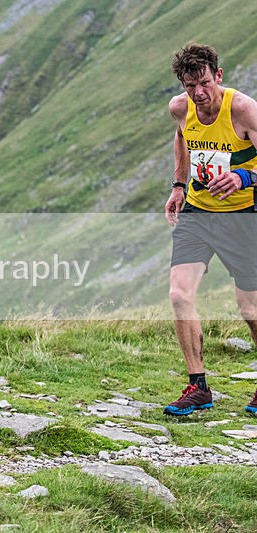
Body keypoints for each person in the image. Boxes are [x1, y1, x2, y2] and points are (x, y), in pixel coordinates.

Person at [163, 43, 257, 416]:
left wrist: (242, 176)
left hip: (241, 217)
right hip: (198, 216)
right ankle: (198, 386)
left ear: (218, 76)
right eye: (190, 86)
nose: (199, 94)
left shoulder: (244, 110)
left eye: (204, 83)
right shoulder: (180, 109)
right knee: (178, 295)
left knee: (249, 307)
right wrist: (178, 185)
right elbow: (183, 138)